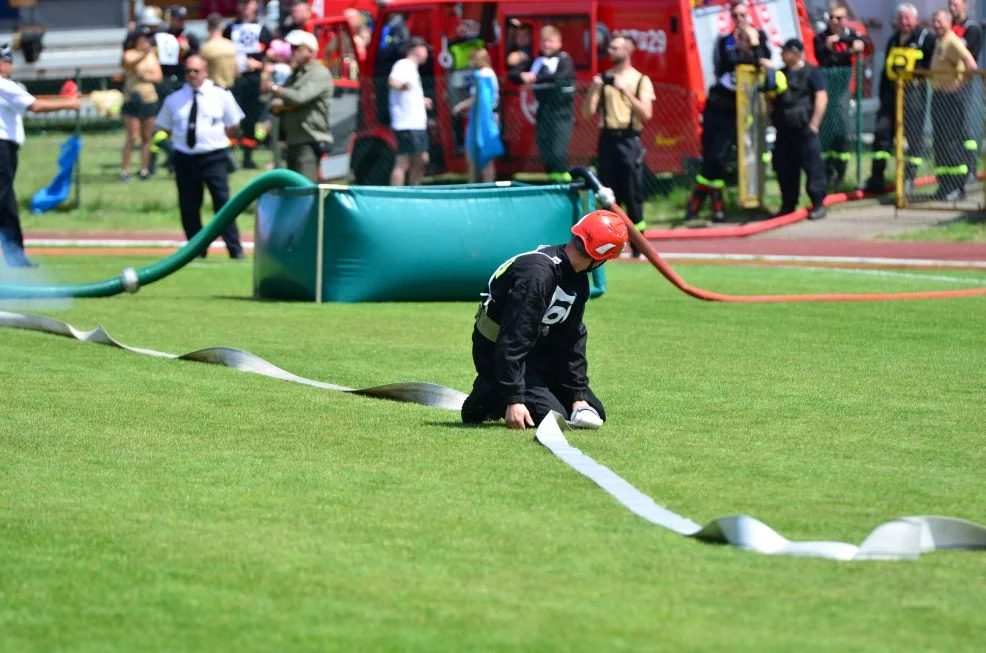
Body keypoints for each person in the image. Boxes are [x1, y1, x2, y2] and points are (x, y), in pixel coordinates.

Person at [461, 210, 629, 430]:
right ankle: (489, 394)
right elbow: (513, 338)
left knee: (593, 413)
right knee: (553, 418)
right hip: (497, 350)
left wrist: (578, 396)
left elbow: (572, 338)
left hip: (537, 348)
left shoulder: (577, 279)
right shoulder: (537, 275)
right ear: (601, 257)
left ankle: (525, 387)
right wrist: (515, 399)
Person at [155, 54, 246, 260]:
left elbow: (233, 124)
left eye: (196, 71)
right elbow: (166, 127)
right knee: (189, 205)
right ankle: (196, 250)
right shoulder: (174, 99)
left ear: (205, 71)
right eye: (188, 71)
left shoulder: (220, 96)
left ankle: (234, 248)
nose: (192, 75)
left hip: (214, 156)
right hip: (185, 157)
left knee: (223, 204)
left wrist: (214, 139)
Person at [0, 43, 82, 268]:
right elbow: (35, 106)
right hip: (2, 149)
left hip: (6, 148)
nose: (9, 65)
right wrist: (70, 103)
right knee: (3, 202)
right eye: (6, 60)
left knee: (6, 204)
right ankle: (15, 258)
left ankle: (15, 258)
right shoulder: (4, 85)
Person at [683, 25, 767, 222]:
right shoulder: (728, 51)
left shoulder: (759, 55)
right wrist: (747, 49)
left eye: (748, 39)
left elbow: (763, 58)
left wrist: (755, 44)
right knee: (710, 158)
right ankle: (710, 204)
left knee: (717, 158)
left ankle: (700, 201)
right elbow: (729, 62)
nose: (744, 42)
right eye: (742, 39)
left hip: (732, 116)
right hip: (714, 111)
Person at [583, 35, 655, 257]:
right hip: (607, 139)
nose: (610, 51)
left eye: (615, 47)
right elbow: (586, 114)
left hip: (629, 139)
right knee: (607, 194)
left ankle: (638, 247)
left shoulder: (640, 80)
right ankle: (607, 246)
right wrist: (594, 90)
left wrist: (625, 91)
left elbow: (646, 114)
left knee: (632, 194)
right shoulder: (604, 79)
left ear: (628, 50)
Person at [864, 3, 936, 193]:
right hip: (890, 96)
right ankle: (876, 178)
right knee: (882, 135)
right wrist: (881, 96)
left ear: (915, 19)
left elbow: (933, 65)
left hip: (914, 95)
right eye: (901, 18)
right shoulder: (893, 40)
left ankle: (909, 178)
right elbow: (884, 71)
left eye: (907, 18)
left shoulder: (925, 38)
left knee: (913, 137)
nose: (904, 22)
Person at [813, 1, 871, 188]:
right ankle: (827, 172)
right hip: (826, 88)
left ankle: (841, 170)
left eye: (838, 18)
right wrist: (844, 50)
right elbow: (825, 57)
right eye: (831, 17)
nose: (834, 21)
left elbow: (865, 44)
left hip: (843, 90)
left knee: (843, 129)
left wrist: (851, 44)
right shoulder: (821, 38)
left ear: (845, 20)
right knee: (826, 130)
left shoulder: (851, 36)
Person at [508, 25, 577, 181]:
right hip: (543, 113)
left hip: (561, 113)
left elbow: (560, 76)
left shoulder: (564, 60)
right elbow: (513, 75)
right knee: (545, 151)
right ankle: (553, 182)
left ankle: (565, 184)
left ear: (559, 43)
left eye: (551, 41)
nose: (547, 45)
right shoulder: (537, 61)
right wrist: (521, 75)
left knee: (558, 152)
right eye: (544, 41)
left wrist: (536, 78)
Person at [265, 30, 334, 183]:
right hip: (292, 139)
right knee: (293, 187)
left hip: (309, 138)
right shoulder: (296, 74)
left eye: (297, 48)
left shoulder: (320, 73)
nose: (293, 52)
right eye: (292, 48)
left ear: (310, 50)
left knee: (305, 188)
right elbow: (274, 101)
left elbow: (300, 97)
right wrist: (281, 99)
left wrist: (277, 90)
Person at [770, 39, 828, 220]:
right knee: (784, 168)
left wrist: (814, 124)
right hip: (784, 130)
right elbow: (771, 98)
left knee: (813, 168)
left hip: (804, 129)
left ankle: (818, 204)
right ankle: (788, 205)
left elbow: (821, 96)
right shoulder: (780, 74)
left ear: (796, 53)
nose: (781, 54)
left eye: (785, 51)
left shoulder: (811, 73)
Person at [929, 10, 978, 200]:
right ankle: (944, 184)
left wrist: (958, 85)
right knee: (939, 141)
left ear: (949, 23)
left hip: (952, 98)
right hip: (939, 95)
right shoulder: (939, 41)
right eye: (934, 21)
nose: (936, 24)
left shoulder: (952, 41)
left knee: (951, 140)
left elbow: (971, 64)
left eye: (940, 21)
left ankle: (957, 186)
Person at [224, 0, 273, 169]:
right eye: (242, 4)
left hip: (254, 79)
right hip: (234, 80)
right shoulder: (229, 29)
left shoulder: (262, 29)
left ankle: (247, 157)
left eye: (248, 4)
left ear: (254, 6)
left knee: (251, 120)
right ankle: (229, 157)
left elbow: (271, 57)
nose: (245, 8)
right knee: (231, 118)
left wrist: (260, 66)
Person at [388, 36, 432, 186]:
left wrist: (422, 101)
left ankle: (414, 191)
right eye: (425, 49)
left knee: (421, 160)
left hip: (416, 124)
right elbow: (393, 81)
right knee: (403, 161)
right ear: (416, 50)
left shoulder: (412, 68)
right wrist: (401, 86)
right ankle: (397, 195)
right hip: (407, 123)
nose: (427, 53)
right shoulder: (403, 64)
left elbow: (409, 94)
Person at [452, 48, 501, 183]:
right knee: (475, 155)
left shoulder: (484, 75)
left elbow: (480, 99)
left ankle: (480, 186)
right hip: (479, 118)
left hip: (484, 120)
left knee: (481, 155)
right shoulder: (484, 74)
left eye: (472, 58)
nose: (470, 62)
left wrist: (460, 106)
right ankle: (477, 185)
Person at [121, 27, 163, 181]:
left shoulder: (153, 56)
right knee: (132, 136)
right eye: (143, 38)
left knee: (147, 137)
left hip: (149, 99)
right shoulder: (129, 53)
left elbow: (158, 76)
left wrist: (145, 76)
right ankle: (125, 170)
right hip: (132, 98)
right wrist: (145, 53)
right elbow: (130, 64)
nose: (146, 41)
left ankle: (144, 169)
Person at [948, 0, 983, 185]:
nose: (952, 8)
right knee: (951, 127)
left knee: (965, 126)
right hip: (946, 84)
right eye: (950, 4)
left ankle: (970, 168)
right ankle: (955, 168)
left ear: (965, 5)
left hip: (964, 84)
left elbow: (968, 55)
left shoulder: (972, 29)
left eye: (955, 4)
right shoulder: (948, 27)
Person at [201, 13, 239, 91]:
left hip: (212, 90)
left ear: (208, 28)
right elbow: (237, 72)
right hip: (230, 90)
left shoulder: (205, 48)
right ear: (222, 27)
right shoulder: (231, 45)